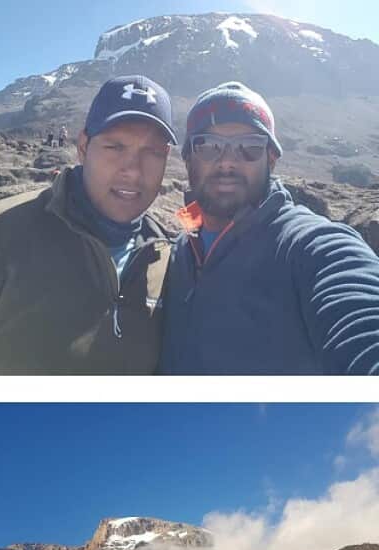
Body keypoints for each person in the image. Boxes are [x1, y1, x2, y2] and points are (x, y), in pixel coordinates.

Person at [160, 81, 379, 374]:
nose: (227, 162)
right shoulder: (180, 251)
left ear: (271, 160)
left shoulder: (309, 247)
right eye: (209, 146)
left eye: (249, 147)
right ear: (188, 158)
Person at [0, 75, 177, 374]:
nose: (133, 171)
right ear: (83, 147)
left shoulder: (171, 260)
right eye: (115, 147)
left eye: (152, 152)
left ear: (166, 158)